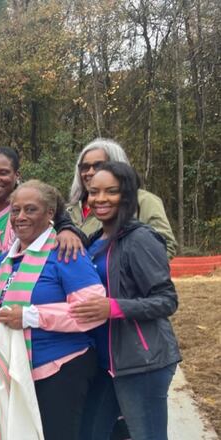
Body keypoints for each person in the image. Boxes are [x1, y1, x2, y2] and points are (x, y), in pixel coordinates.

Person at [0, 180, 107, 440]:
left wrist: (31, 316)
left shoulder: (65, 251)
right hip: (11, 372)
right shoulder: (8, 257)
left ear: (50, 213)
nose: (20, 217)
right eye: (15, 211)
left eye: (30, 210)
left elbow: (92, 310)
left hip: (58, 370)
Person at [75, 162, 181, 440]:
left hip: (141, 360)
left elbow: (167, 300)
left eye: (111, 191)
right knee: (89, 433)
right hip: (104, 362)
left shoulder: (140, 239)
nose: (100, 199)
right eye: (94, 191)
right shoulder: (96, 241)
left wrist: (114, 307)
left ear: (128, 195)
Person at [0, 146, 85, 268]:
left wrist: (67, 230)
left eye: (3, 173)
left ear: (17, 175)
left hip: (31, 278)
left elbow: (67, 225)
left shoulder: (39, 203)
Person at [66, 138, 176, 258]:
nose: (90, 172)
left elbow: (165, 245)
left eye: (98, 166)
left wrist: (123, 269)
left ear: (116, 165)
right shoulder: (70, 209)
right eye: (85, 167)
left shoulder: (143, 200)